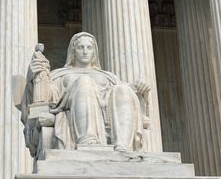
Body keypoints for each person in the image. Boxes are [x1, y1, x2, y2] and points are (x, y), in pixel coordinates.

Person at [21, 32, 150, 154]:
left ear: (94, 52)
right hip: (74, 109)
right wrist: (34, 77)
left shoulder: (109, 77)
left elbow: (127, 99)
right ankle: (88, 139)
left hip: (107, 113)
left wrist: (139, 90)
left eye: (89, 48)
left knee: (123, 90)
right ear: (73, 51)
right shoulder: (60, 75)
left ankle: (123, 147)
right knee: (84, 82)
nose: (85, 51)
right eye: (80, 47)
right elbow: (44, 98)